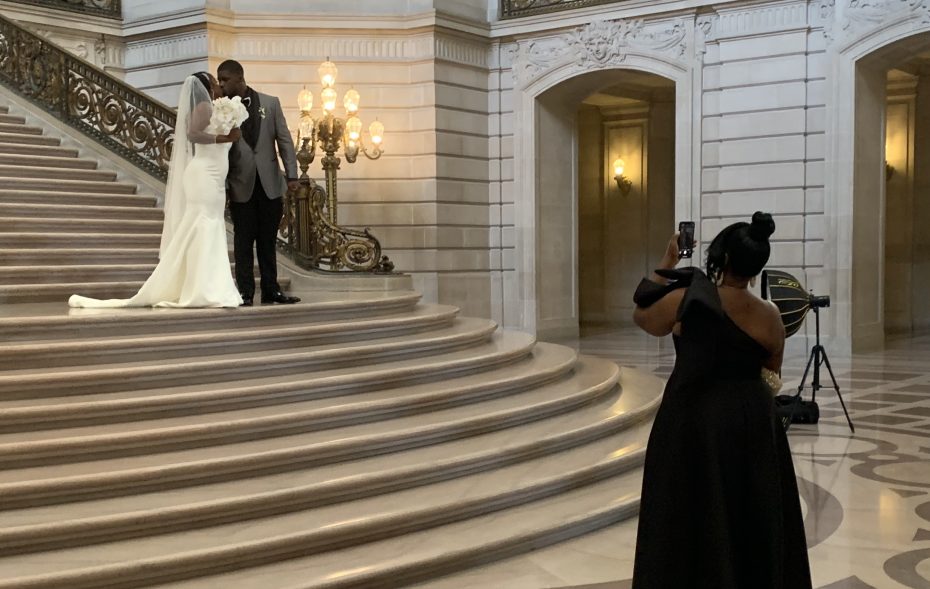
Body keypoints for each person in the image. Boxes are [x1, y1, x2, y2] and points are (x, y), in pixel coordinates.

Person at [630, 212, 812, 589]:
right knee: (749, 518)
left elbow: (642, 317)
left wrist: (668, 259)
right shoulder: (771, 316)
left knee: (689, 515)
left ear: (722, 258)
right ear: (757, 266)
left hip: (692, 420)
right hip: (754, 426)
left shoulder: (687, 301)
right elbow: (771, 376)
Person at [69, 73, 244, 309]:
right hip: (203, 176)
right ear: (206, 86)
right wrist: (224, 137)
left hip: (214, 177)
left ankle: (211, 284)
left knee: (210, 224)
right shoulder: (203, 105)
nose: (218, 84)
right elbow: (193, 134)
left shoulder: (216, 107)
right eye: (213, 81)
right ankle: (203, 288)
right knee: (203, 224)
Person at [217, 59, 300, 307]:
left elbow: (284, 140)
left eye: (225, 80)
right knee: (243, 242)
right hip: (240, 184)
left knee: (267, 240)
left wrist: (292, 175)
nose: (221, 84)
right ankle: (244, 293)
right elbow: (219, 149)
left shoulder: (270, 103)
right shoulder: (220, 109)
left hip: (270, 184)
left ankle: (271, 290)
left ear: (239, 78)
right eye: (219, 80)